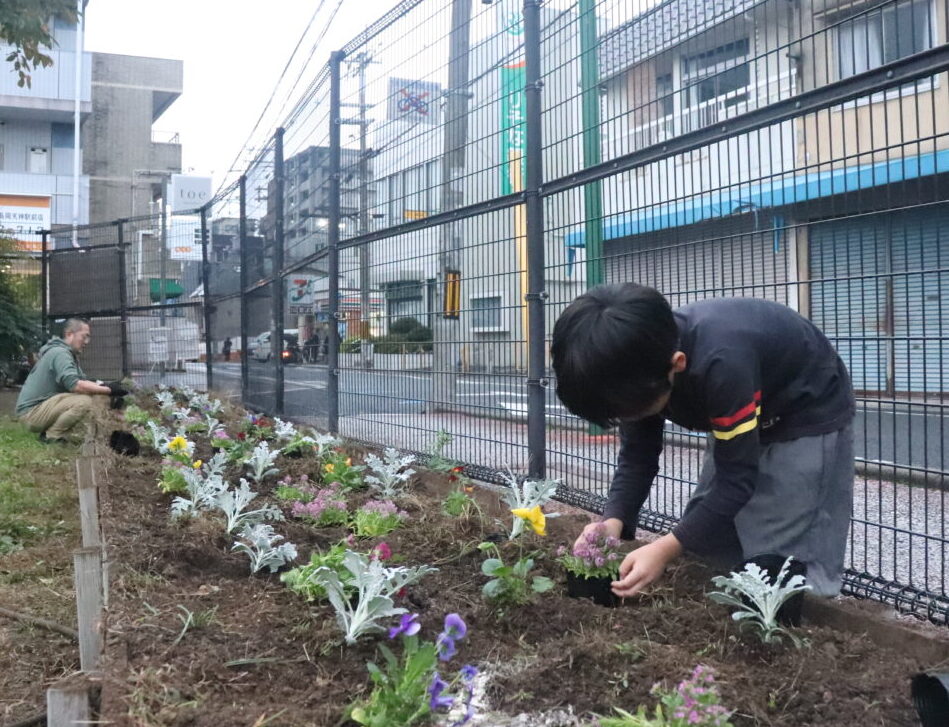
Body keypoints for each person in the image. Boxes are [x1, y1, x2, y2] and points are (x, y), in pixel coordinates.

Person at [551, 283, 855, 600]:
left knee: (780, 560)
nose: (628, 418)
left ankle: (801, 619)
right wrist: (613, 521)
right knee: (711, 542)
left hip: (803, 409)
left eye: (631, 412)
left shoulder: (721, 362)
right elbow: (638, 455)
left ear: (677, 364)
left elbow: (737, 479)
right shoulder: (637, 362)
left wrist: (665, 549)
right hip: (743, 401)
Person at [16, 318, 128, 443]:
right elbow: (75, 385)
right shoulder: (60, 353)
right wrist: (109, 390)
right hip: (32, 414)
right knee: (84, 401)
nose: (87, 341)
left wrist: (106, 385)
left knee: (91, 395)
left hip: (38, 410)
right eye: (84, 336)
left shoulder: (66, 353)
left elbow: (83, 380)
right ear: (69, 334)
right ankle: (52, 436)